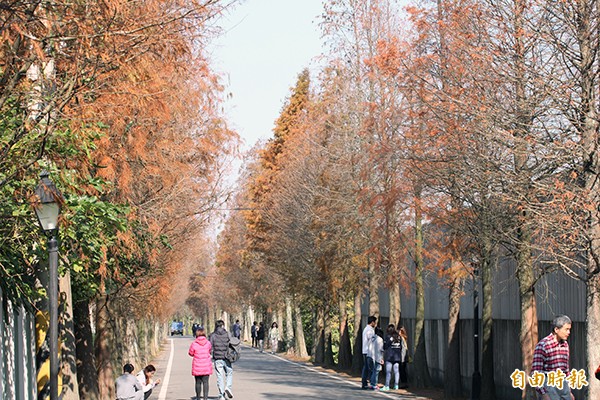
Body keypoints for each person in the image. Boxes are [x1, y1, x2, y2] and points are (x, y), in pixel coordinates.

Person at [532, 315, 575, 400]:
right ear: (556, 329)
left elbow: (566, 370)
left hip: (563, 384)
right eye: (566, 329)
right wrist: (543, 394)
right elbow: (536, 373)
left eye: (569, 329)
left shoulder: (565, 345)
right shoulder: (543, 346)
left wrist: (569, 391)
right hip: (549, 385)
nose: (569, 332)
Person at [210, 320, 234, 400]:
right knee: (229, 373)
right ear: (223, 326)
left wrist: (211, 356)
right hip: (227, 357)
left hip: (217, 358)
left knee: (220, 376)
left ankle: (221, 395)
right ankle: (228, 387)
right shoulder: (227, 334)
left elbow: (210, 347)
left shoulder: (213, 335)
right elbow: (232, 344)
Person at [189, 326, 213, 400]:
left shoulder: (194, 343)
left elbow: (190, 353)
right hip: (206, 365)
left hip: (197, 365)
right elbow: (210, 351)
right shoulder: (208, 343)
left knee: (198, 382)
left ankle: (198, 397)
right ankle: (205, 398)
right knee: (206, 382)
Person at [382, 324, 402, 391]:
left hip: (390, 356)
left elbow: (385, 346)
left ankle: (387, 385)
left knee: (388, 371)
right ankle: (396, 385)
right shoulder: (398, 337)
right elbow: (401, 346)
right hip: (397, 357)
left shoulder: (388, 337)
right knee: (396, 371)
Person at [361, 315, 377, 390]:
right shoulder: (370, 330)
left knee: (366, 367)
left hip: (365, 350)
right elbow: (371, 340)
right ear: (372, 322)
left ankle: (365, 382)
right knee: (369, 368)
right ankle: (369, 382)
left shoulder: (366, 329)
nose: (375, 324)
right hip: (368, 351)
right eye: (375, 322)